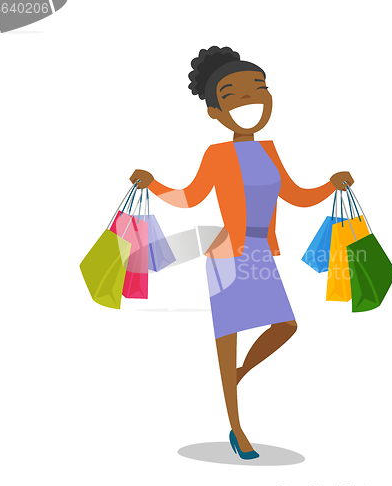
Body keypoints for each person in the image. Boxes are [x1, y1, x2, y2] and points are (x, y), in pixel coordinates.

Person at [130, 46, 353, 460]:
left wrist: (331, 185)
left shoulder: (269, 151)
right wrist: (154, 183)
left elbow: (296, 196)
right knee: (227, 339)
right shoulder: (217, 154)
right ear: (216, 112)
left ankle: (234, 378)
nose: (251, 100)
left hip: (259, 253)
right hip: (225, 255)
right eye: (234, 95)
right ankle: (236, 427)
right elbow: (191, 197)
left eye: (259, 89)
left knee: (285, 326)